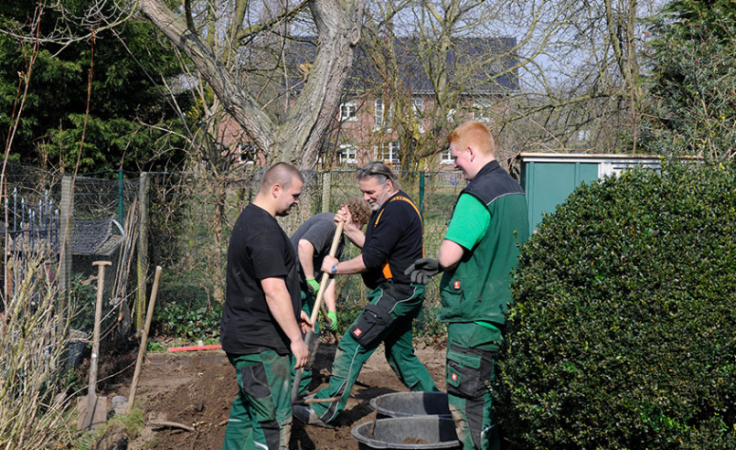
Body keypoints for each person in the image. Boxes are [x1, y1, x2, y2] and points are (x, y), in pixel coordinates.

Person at [405, 121, 530, 450]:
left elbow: (448, 255)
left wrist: (434, 263)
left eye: (456, 156)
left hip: (473, 318)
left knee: (470, 408)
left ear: (472, 152)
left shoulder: (477, 194)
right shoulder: (515, 190)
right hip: (504, 313)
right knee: (493, 405)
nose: (455, 164)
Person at [293, 161, 438, 428]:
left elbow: (370, 259)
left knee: (351, 345)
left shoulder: (395, 211)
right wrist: (348, 228)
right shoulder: (397, 206)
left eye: (370, 192)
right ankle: (437, 407)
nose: (366, 198)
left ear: (388, 185)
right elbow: (375, 246)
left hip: (396, 292)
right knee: (400, 354)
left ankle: (326, 410)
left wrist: (335, 266)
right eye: (363, 192)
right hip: (407, 291)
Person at [220, 162, 314, 450]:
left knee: (247, 416)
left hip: (244, 338)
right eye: (295, 195)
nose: (297, 203)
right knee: (273, 422)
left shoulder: (249, 220)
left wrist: (294, 308)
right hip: (260, 345)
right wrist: (296, 340)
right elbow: (273, 290)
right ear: (276, 189)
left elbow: (256, 283)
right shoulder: (264, 230)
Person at [289, 198, 372, 398]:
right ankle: (294, 390)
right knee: (305, 333)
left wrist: (332, 311)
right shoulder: (328, 225)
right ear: (357, 219)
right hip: (291, 284)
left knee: (310, 332)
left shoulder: (338, 239)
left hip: (305, 286)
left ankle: (296, 388)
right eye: (360, 225)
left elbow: (328, 276)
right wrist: (310, 278)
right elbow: (304, 245)